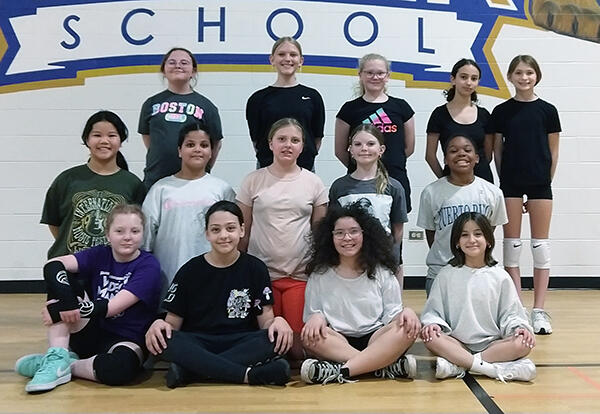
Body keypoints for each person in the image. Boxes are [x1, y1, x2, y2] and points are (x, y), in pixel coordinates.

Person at [144, 201, 293, 388]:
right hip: (198, 341)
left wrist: (278, 322)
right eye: (215, 230)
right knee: (165, 339)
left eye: (230, 228)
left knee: (273, 340)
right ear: (207, 234)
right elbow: (172, 325)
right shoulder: (190, 270)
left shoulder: (255, 268)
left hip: (241, 340)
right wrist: (160, 324)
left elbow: (266, 324)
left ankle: (191, 371)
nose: (224, 235)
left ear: (241, 230)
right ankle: (248, 375)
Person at [16, 205, 161, 393]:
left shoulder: (149, 265)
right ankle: (57, 356)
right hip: (91, 330)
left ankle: (66, 365)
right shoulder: (100, 253)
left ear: (142, 234)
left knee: (119, 370)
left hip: (126, 339)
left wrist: (58, 311)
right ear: (108, 235)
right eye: (119, 231)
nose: (127, 237)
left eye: (135, 231)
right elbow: (53, 265)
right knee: (61, 282)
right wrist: (67, 302)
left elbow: (112, 307)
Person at [300, 202, 420, 385]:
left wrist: (408, 312)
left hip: (375, 338)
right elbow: (313, 316)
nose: (347, 237)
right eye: (339, 233)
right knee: (311, 336)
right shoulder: (320, 274)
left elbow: (393, 316)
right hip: (338, 340)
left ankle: (342, 370)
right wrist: (316, 317)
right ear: (330, 238)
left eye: (354, 231)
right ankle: (381, 365)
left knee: (407, 329)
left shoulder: (382, 272)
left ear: (365, 234)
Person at [237, 118, 328, 358]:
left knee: (299, 351)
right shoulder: (252, 180)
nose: (288, 145)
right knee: (270, 346)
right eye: (282, 139)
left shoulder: (314, 182)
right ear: (270, 144)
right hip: (262, 277)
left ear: (302, 146)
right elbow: (242, 231)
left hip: (299, 276)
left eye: (294, 140)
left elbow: (319, 234)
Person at [489, 55, 561, 335]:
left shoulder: (548, 110)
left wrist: (545, 181)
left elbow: (553, 151)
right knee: (512, 246)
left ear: (536, 76)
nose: (524, 77)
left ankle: (539, 310)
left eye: (529, 72)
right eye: (518, 73)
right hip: (511, 184)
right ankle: (516, 308)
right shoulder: (502, 111)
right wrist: (504, 179)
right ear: (510, 76)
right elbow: (496, 150)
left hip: (540, 185)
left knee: (540, 247)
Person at [421, 212, 536, 382]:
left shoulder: (500, 276)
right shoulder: (446, 275)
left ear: (488, 240)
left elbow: (512, 313)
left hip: (493, 345)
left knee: (523, 343)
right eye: (464, 235)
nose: (471, 240)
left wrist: (518, 328)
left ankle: (458, 365)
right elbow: (433, 312)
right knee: (431, 338)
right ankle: (492, 369)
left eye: (478, 234)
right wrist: (433, 324)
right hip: (457, 343)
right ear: (457, 243)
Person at [142, 122, 235, 299]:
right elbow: (146, 239)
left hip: (213, 279)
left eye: (204, 145)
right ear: (179, 150)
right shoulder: (161, 189)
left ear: (211, 152)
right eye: (190, 144)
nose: (197, 149)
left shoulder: (222, 189)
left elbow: (233, 236)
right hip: (169, 277)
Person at [41, 111, 146, 259]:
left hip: (112, 269)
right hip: (68, 265)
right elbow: (54, 223)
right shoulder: (67, 179)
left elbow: (138, 227)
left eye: (111, 135)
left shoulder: (133, 183)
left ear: (121, 141)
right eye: (97, 135)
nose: (104, 141)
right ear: (87, 140)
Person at [417, 134, 507, 295]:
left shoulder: (493, 193)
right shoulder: (431, 192)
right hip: (441, 272)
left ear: (477, 158)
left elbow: (489, 230)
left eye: (467, 150)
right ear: (445, 159)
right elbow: (431, 233)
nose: (461, 154)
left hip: (479, 272)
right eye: (453, 151)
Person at [329, 124, 407, 286]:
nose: (364, 148)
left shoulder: (394, 187)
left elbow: (397, 230)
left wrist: (393, 260)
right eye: (358, 144)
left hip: (382, 261)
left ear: (381, 149)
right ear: (350, 149)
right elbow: (334, 227)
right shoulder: (340, 187)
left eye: (370, 144)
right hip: (350, 262)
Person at [335, 53, 415, 212]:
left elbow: (408, 148)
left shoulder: (401, 107)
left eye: (380, 73)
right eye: (369, 73)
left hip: (395, 177)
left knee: (394, 231)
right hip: (358, 181)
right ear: (360, 75)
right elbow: (340, 151)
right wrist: (363, 167)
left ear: (388, 76)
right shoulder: (349, 109)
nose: (375, 77)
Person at [138, 47, 223, 189]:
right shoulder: (151, 103)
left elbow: (216, 143)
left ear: (193, 71)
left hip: (192, 181)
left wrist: (203, 169)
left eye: (184, 62)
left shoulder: (207, 106)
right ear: (163, 70)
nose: (178, 65)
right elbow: (149, 139)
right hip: (156, 178)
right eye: (172, 62)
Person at [246, 37, 325, 171]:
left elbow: (316, 138)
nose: (287, 59)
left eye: (293, 54)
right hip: (267, 169)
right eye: (281, 54)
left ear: (301, 61)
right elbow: (256, 140)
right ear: (272, 59)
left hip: (304, 169)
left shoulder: (313, 97)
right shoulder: (258, 99)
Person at [426, 58, 493, 182]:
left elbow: (488, 156)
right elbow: (430, 156)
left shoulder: (484, 115)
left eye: (474, 78)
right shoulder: (439, 114)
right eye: (463, 77)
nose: (468, 82)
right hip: (451, 180)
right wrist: (444, 181)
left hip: (482, 180)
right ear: (453, 79)